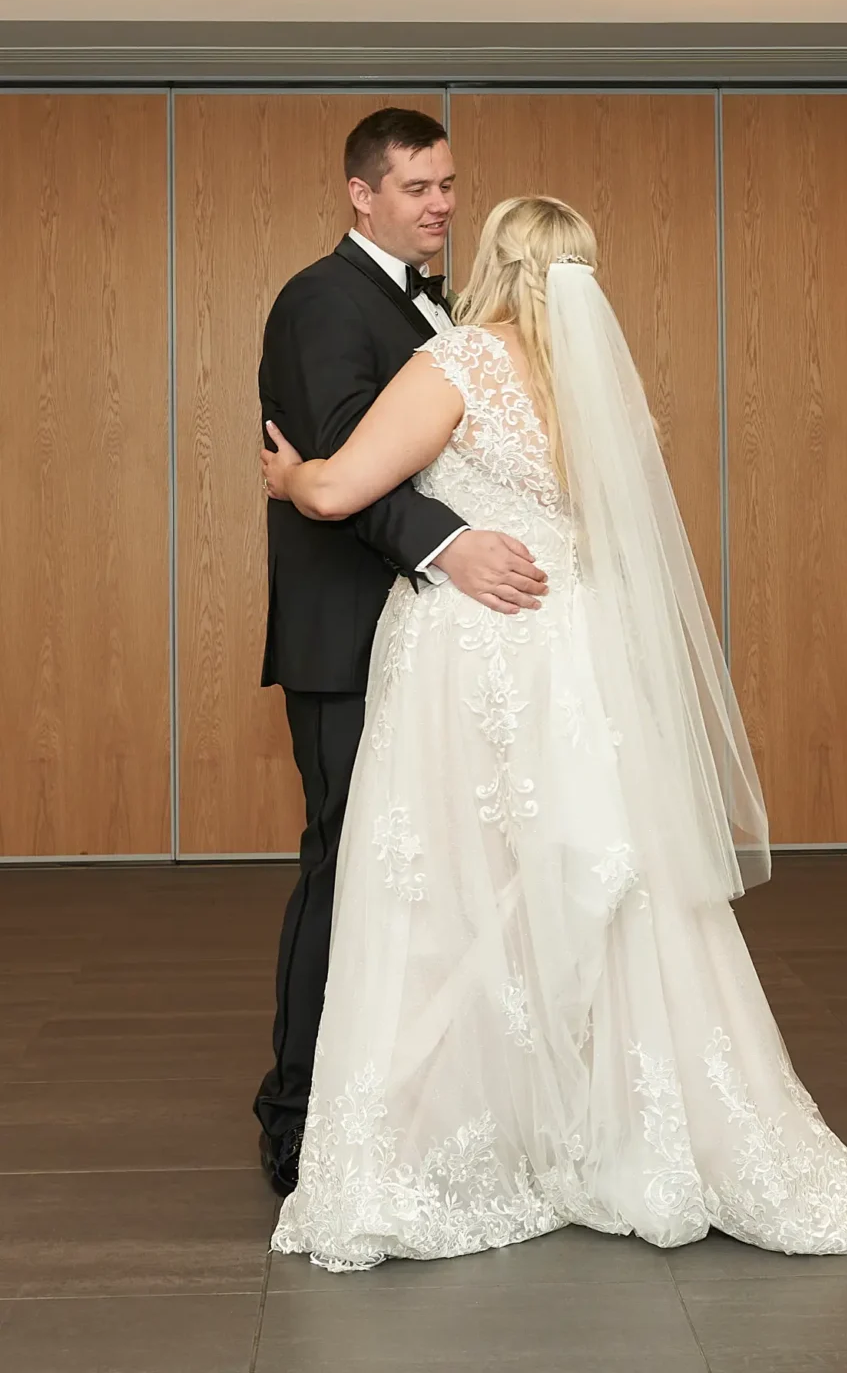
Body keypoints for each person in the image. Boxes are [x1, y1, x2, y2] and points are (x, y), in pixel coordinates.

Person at [260, 195, 847, 1268]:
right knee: (592, 877)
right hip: (576, 651)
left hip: (476, 653)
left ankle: (470, 1133)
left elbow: (346, 483)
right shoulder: (603, 387)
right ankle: (616, 1124)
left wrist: (294, 474)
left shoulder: (460, 364)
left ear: (493, 260)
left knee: (453, 880)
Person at [254, 110, 547, 1197]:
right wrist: (453, 547)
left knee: (428, 882)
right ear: (359, 194)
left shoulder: (447, 305)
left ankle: (415, 1102)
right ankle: (294, 1114)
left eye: (451, 184)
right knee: (343, 867)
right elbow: (335, 463)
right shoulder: (322, 300)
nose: (442, 204)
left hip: (434, 644)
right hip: (347, 636)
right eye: (419, 187)